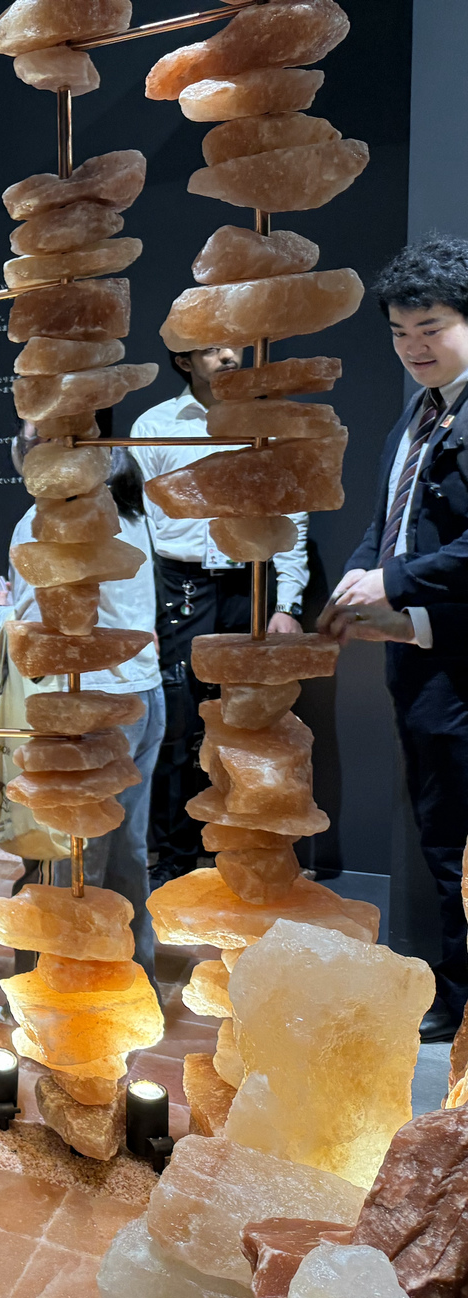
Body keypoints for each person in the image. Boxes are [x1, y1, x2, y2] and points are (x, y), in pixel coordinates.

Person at [317, 234, 468, 1042]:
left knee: (458, 847)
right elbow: (386, 523)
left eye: (432, 329)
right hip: (419, 663)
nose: (414, 348)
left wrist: (397, 585)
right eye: (401, 333)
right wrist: (359, 576)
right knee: (442, 839)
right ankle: (456, 999)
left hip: (460, 664)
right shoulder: (418, 413)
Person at [0, 425, 165, 981]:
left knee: (67, 852)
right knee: (127, 847)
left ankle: (56, 985)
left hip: (82, 705)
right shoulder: (126, 513)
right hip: (140, 694)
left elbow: (39, 643)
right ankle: (132, 979)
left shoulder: (41, 523)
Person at [128, 350, 309, 890]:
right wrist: (142, 611)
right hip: (180, 586)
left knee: (255, 723)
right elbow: (138, 526)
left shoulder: (266, 420)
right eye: (212, 346)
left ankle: (251, 850)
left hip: (251, 582)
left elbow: (292, 512)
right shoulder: (155, 425)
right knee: (179, 723)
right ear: (184, 358)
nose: (229, 353)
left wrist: (287, 603)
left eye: (235, 341)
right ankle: (178, 856)